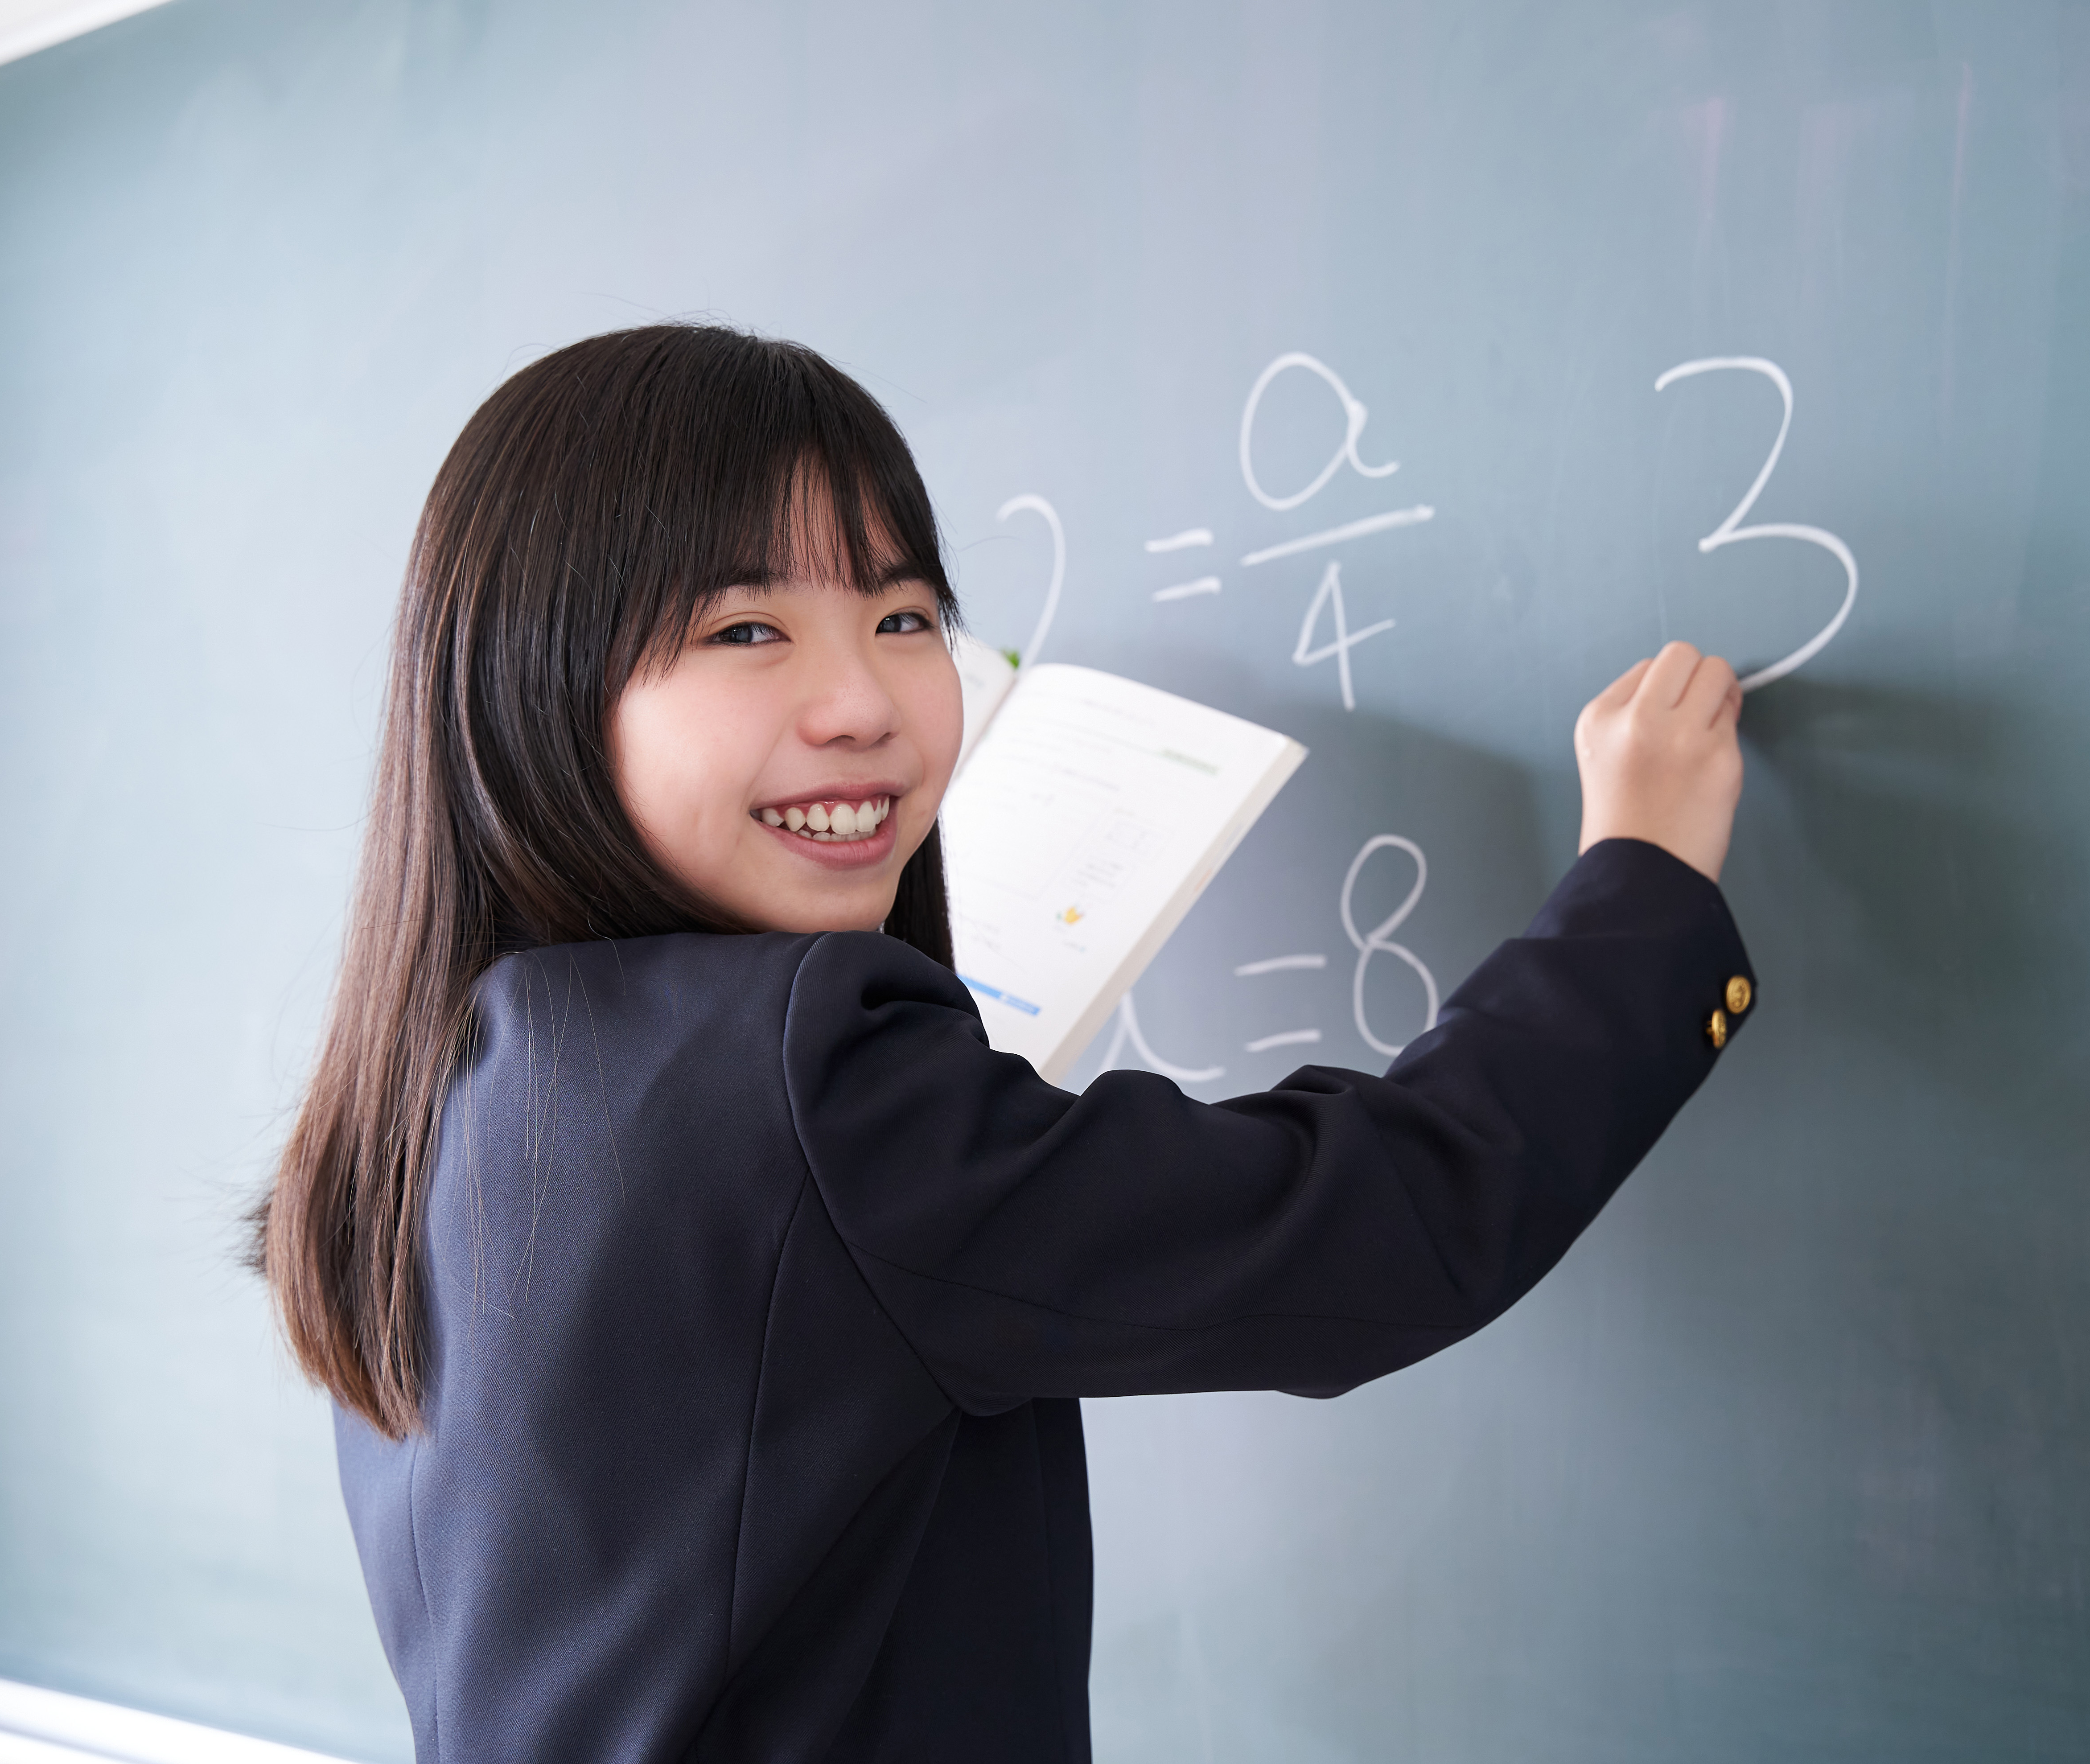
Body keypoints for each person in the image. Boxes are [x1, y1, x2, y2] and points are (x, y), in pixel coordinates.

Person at [255, 323, 1758, 1763]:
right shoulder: (802, 1076)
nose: (866, 703)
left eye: (907, 618)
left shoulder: (439, 1075)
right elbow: (1381, 1228)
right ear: (533, 690)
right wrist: (1645, 885)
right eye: (746, 628)